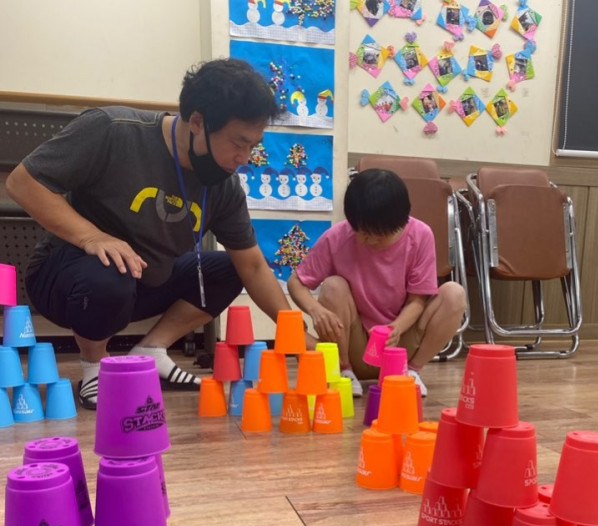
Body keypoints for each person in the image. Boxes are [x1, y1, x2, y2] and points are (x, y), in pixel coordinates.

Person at [6, 58, 295, 410]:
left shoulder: (224, 186)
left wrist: (296, 334)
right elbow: (22, 183)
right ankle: (94, 365)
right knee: (112, 269)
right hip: (67, 279)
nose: (245, 157)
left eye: (253, 145)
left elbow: (254, 267)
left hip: (143, 282)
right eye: (239, 143)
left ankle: (152, 349)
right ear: (198, 121)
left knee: (231, 269)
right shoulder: (113, 130)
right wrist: (93, 237)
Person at [287, 168, 466, 398]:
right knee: (333, 286)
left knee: (454, 294)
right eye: (360, 231)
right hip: (353, 345)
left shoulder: (420, 235)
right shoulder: (339, 236)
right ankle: (343, 371)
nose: (366, 240)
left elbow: (417, 301)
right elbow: (296, 282)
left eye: (377, 235)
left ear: (400, 223)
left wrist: (396, 328)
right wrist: (315, 310)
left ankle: (412, 371)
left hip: (399, 343)